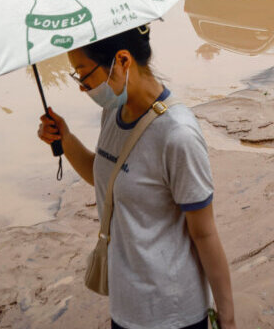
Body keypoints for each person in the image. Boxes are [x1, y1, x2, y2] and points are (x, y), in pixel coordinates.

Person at [37, 26, 236, 329]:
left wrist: (228, 318)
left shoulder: (177, 134)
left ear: (123, 61)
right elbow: (104, 178)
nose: (81, 86)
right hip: (125, 308)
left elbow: (204, 234)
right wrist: (65, 138)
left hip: (172, 313)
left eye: (83, 73)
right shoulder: (114, 111)